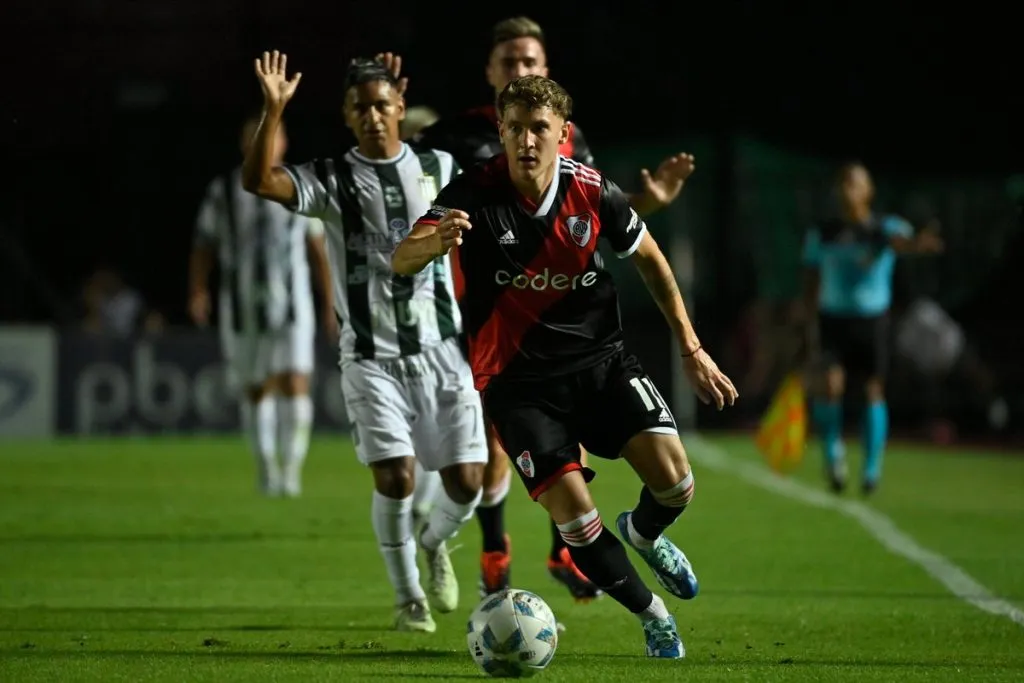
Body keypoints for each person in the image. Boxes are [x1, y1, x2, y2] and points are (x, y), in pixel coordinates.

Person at [393, 75, 737, 658]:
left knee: (677, 483)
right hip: (519, 385)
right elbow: (403, 256)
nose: (527, 140)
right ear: (500, 132)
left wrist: (691, 347)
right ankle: (653, 616)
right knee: (575, 517)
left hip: (601, 365)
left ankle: (644, 533)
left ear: (562, 135)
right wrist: (433, 243)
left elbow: (651, 261)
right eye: (515, 129)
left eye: (539, 129)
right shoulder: (471, 193)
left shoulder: (594, 191)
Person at [241, 51, 487, 633]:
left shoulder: (442, 166)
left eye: (382, 104)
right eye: (361, 108)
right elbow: (258, 180)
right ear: (347, 117)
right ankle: (409, 601)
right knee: (396, 476)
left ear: (400, 107)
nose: (373, 115)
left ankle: (433, 544)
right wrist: (274, 111)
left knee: (467, 483)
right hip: (371, 357)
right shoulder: (330, 177)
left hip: (443, 350)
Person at [190, 112, 334, 497]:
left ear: (283, 141)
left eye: (272, 136)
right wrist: (198, 290)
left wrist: (329, 302)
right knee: (257, 387)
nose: (264, 143)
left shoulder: (298, 185)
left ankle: (291, 471)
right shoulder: (224, 190)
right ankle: (267, 469)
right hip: (241, 305)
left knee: (295, 380)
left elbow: (317, 249)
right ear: (244, 144)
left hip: (293, 302)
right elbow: (204, 243)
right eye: (255, 137)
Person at [801, 162, 943, 495]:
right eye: (843, 183)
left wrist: (919, 244)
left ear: (869, 191)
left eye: (855, 183)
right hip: (833, 319)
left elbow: (903, 243)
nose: (848, 189)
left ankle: (871, 468)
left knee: (871, 390)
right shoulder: (823, 233)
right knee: (830, 385)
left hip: (873, 321)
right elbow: (810, 278)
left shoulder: (886, 228)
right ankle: (834, 456)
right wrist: (807, 324)